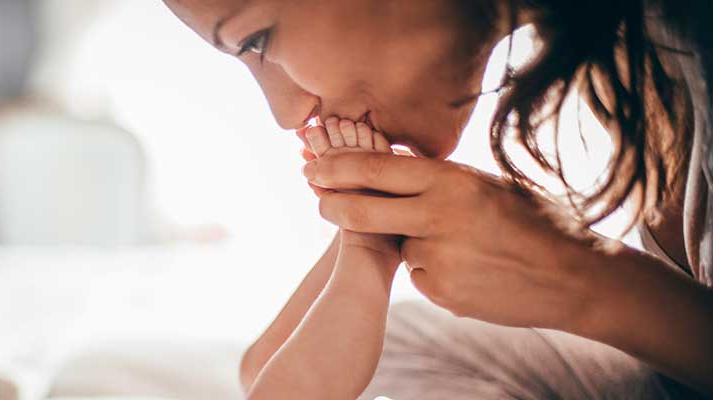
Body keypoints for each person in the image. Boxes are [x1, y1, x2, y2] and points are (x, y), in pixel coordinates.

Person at [162, 0, 713, 398]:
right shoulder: (634, 42)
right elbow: (263, 375)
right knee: (401, 341)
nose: (286, 115)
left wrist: (581, 279)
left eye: (258, 39)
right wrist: (367, 246)